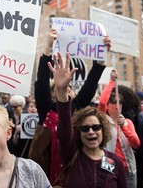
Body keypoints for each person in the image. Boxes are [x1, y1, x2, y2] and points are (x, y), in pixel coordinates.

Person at [32, 28, 112, 185]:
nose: (65, 87)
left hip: (77, 172)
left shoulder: (77, 107)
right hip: (47, 175)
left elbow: (90, 85)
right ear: (53, 92)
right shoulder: (46, 109)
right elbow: (41, 82)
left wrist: (101, 55)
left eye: (68, 85)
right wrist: (47, 47)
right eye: (60, 86)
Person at [48, 52, 126, 187]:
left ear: (103, 130)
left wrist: (101, 55)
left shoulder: (115, 162)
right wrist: (61, 90)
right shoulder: (71, 154)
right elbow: (65, 127)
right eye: (85, 128)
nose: (91, 131)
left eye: (96, 127)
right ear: (78, 132)